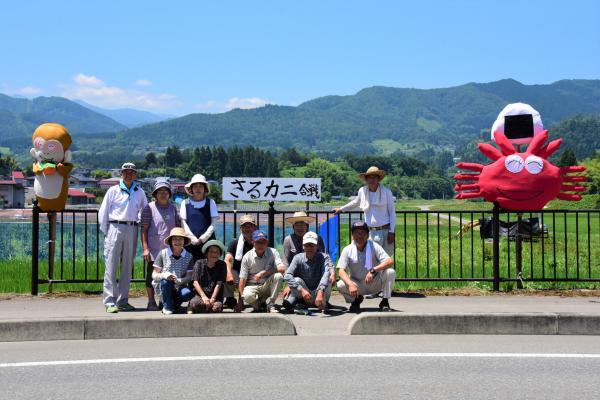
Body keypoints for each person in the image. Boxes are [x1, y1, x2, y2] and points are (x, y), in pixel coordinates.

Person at [98, 162, 148, 313]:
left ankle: (123, 300)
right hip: (115, 226)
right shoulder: (113, 190)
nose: (128, 174)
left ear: (135, 174)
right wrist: (107, 231)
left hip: (132, 227)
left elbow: (144, 210)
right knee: (111, 265)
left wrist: (139, 221)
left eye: (132, 172)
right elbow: (104, 211)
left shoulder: (140, 192)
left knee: (127, 266)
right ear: (121, 173)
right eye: (126, 172)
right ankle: (109, 301)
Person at [334, 166, 396, 256]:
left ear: (378, 179)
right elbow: (355, 202)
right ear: (366, 179)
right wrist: (341, 209)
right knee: (371, 260)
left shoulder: (387, 192)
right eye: (369, 177)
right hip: (370, 231)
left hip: (386, 231)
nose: (372, 179)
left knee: (386, 259)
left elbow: (392, 212)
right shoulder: (362, 191)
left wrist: (392, 231)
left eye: (374, 177)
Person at [336, 221, 396, 313]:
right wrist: (350, 284)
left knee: (390, 272)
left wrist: (374, 270)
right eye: (356, 233)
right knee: (340, 284)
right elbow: (341, 270)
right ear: (352, 235)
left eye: (362, 233)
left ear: (367, 235)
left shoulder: (374, 246)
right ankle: (356, 300)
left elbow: (389, 261)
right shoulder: (347, 249)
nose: (359, 236)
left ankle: (385, 301)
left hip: (374, 282)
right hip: (357, 285)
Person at [140, 178, 181, 311]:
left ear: (169, 194)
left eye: (165, 191)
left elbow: (178, 227)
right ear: (155, 194)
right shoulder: (149, 208)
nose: (163, 193)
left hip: (170, 250)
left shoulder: (173, 208)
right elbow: (144, 229)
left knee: (169, 276)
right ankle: (151, 301)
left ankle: (164, 301)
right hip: (154, 249)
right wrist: (145, 248)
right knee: (151, 276)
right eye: (160, 191)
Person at [235, 230, 285, 313]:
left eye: (263, 242)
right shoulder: (247, 257)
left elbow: (282, 268)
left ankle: (271, 304)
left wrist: (264, 273)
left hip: (267, 285)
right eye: (258, 242)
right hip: (252, 286)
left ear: (267, 243)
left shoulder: (273, 252)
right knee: (246, 295)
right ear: (253, 242)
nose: (261, 245)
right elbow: (242, 279)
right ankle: (259, 306)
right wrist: (240, 302)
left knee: (278, 276)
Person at [283, 232, 333, 314]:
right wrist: (301, 290)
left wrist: (320, 291)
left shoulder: (324, 257)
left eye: (312, 245)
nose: (309, 248)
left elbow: (326, 274)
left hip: (320, 291)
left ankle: (320, 303)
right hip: (305, 294)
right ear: (303, 246)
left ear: (317, 246)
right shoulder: (297, 257)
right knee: (297, 280)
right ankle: (300, 302)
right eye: (307, 245)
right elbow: (287, 275)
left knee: (328, 278)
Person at [151, 227, 194, 315]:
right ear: (171, 241)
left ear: (184, 241)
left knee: (187, 293)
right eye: (175, 239)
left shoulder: (189, 256)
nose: (177, 241)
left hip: (180, 286)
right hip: (164, 285)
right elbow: (154, 274)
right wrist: (164, 275)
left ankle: (173, 305)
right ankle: (167, 306)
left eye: (180, 239)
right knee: (166, 282)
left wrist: (179, 280)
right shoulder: (163, 253)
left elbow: (189, 276)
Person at [180, 174, 218, 261]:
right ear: (191, 188)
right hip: (189, 243)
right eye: (195, 186)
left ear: (205, 188)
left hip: (208, 242)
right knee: (190, 269)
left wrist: (203, 238)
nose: (198, 188)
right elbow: (183, 223)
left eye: (201, 186)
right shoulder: (185, 203)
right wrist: (192, 239)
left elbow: (214, 223)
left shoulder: (211, 202)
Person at [223, 214, 257, 309]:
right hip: (238, 273)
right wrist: (229, 274)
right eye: (244, 226)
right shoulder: (235, 242)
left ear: (255, 227)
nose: (247, 228)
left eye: (250, 226)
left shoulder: (260, 241)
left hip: (254, 274)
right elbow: (227, 259)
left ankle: (260, 299)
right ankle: (230, 298)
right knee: (224, 270)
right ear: (240, 228)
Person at [188, 240, 227, 313]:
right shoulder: (199, 263)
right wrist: (204, 297)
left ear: (220, 254)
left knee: (216, 308)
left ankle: (205, 307)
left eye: (217, 252)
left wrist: (213, 298)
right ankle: (191, 306)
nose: (214, 254)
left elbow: (219, 283)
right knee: (197, 304)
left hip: (215, 295)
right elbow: (195, 282)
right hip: (200, 295)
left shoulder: (222, 264)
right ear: (206, 253)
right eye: (211, 251)